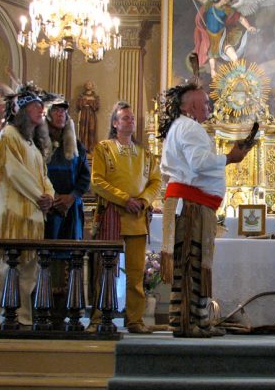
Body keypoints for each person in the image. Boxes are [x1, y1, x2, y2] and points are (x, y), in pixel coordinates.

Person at [158, 82, 253, 338]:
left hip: (192, 203)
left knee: (193, 263)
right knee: (191, 262)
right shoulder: (189, 127)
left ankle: (190, 319)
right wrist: (229, 157)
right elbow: (198, 163)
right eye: (205, 102)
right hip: (192, 206)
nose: (209, 106)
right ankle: (189, 322)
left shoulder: (183, 126)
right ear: (191, 107)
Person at [89, 101, 161, 334]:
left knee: (136, 272)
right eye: (125, 117)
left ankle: (135, 320)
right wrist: (124, 199)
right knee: (105, 269)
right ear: (115, 123)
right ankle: (99, 317)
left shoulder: (145, 154)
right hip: (112, 213)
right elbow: (97, 181)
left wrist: (142, 200)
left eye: (132, 118)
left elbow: (156, 182)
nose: (130, 120)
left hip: (137, 216)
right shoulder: (103, 148)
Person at [0, 85, 55, 326]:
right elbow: (14, 173)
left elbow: (43, 176)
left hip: (34, 216)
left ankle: (22, 318)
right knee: (4, 266)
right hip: (13, 213)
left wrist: (49, 194)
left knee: (28, 271)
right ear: (22, 110)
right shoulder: (8, 136)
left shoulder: (32, 145)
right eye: (36, 106)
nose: (41, 110)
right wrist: (40, 196)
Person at [44, 98, 91, 327]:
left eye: (64, 110)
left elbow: (85, 177)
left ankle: (67, 310)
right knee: (45, 259)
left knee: (70, 260)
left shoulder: (76, 145)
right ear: (47, 114)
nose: (60, 114)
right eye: (56, 110)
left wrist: (71, 197)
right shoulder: (38, 141)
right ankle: (44, 309)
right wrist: (50, 198)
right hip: (46, 209)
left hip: (70, 209)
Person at [189, 0, 257, 77]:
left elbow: (240, 18)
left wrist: (248, 27)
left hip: (222, 37)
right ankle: (215, 84)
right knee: (213, 67)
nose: (227, 1)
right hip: (210, 38)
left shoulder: (227, 9)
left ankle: (240, 77)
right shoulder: (209, 5)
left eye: (229, 1)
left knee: (235, 57)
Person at [76, 80, 100, 153]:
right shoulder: (81, 96)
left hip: (91, 115)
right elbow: (79, 104)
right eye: (87, 84)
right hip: (83, 114)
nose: (88, 85)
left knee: (91, 130)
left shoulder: (95, 96)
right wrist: (89, 101)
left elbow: (96, 105)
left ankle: (91, 148)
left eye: (90, 84)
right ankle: (83, 148)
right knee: (82, 130)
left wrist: (86, 101)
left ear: (92, 86)